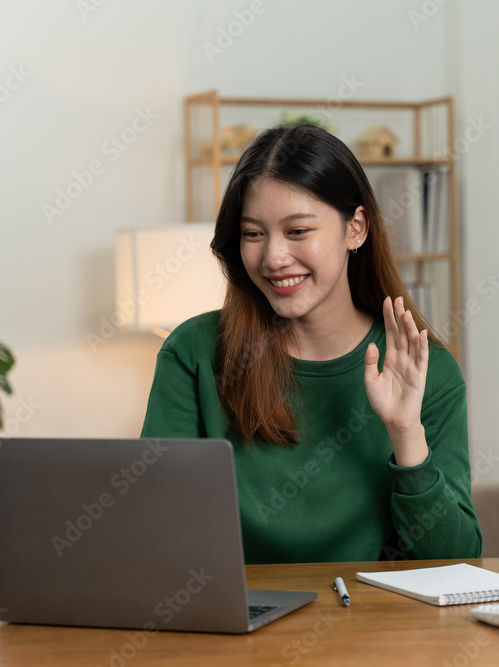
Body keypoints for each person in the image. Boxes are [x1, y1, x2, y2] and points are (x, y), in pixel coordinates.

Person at [140, 124, 481, 564]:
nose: (273, 258)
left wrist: (405, 434)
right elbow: (154, 531)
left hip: (374, 625)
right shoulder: (194, 353)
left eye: (298, 231)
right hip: (234, 621)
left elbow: (458, 560)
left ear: (355, 229)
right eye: (253, 234)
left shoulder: (427, 370)